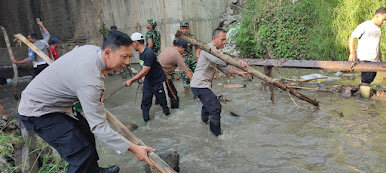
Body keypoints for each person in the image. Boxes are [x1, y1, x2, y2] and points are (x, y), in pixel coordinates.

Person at [17, 31, 154, 173]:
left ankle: (94, 171)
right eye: (124, 57)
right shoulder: (91, 82)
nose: (127, 62)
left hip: (56, 103)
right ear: (107, 53)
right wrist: (133, 148)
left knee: (86, 134)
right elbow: (99, 127)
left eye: (130, 57)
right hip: (38, 111)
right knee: (80, 154)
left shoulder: (91, 50)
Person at [190, 28, 249, 136]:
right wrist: (238, 62)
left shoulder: (215, 52)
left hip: (202, 85)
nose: (224, 42)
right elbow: (221, 60)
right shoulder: (208, 49)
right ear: (214, 38)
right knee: (216, 108)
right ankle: (216, 136)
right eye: (222, 39)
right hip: (199, 85)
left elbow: (224, 68)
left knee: (207, 106)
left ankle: (204, 124)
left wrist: (237, 72)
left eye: (225, 39)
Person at [125, 32, 169, 122]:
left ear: (136, 43)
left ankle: (168, 117)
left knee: (162, 102)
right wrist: (143, 78)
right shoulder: (141, 53)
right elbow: (146, 69)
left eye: (132, 44)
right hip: (148, 81)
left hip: (157, 81)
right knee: (145, 103)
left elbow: (145, 70)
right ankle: (146, 122)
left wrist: (131, 80)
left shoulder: (148, 53)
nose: (132, 46)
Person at [348, 7, 386, 97]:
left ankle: (362, 92)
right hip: (365, 57)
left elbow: (376, 42)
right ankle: (364, 102)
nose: (384, 22)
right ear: (377, 16)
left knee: (371, 76)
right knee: (367, 78)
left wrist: (379, 53)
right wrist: (352, 53)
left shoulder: (378, 28)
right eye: (383, 19)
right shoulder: (365, 25)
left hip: (374, 58)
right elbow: (352, 37)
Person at [158, 40, 193, 109]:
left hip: (155, 74)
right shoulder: (177, 55)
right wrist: (195, 82)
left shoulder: (167, 49)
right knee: (174, 97)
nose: (184, 53)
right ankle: (173, 111)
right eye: (184, 50)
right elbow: (186, 71)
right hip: (163, 76)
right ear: (181, 47)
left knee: (160, 94)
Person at [176, 21, 200, 93]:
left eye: (185, 28)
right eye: (183, 29)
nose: (184, 30)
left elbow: (196, 48)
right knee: (185, 78)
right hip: (183, 59)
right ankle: (187, 93)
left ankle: (197, 92)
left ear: (188, 28)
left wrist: (198, 57)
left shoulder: (192, 37)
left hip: (191, 58)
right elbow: (174, 48)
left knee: (197, 73)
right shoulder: (178, 38)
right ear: (180, 29)